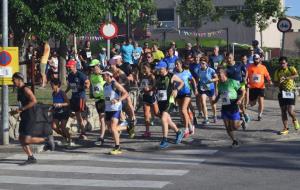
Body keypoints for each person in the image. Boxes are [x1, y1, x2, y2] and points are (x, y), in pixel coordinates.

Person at [10, 72, 55, 165]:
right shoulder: (19, 90)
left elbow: (34, 101)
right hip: (24, 115)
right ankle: (31, 157)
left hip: (30, 116)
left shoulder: (26, 89)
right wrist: (16, 111)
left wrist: (22, 109)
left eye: (13, 80)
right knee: (21, 138)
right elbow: (22, 104)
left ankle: (46, 140)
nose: (12, 81)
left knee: (26, 139)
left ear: (19, 80)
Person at [212, 67, 245, 148]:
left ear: (224, 74)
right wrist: (215, 101)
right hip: (225, 106)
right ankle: (234, 141)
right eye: (217, 73)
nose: (218, 75)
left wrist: (240, 99)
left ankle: (242, 122)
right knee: (227, 127)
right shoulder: (219, 84)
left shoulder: (232, 82)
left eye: (220, 73)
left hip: (233, 104)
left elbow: (243, 91)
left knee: (234, 127)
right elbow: (219, 94)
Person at [155, 60, 185, 149]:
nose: (159, 70)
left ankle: (164, 140)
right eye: (158, 69)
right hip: (161, 101)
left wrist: (176, 90)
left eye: (160, 69)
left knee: (164, 119)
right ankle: (179, 132)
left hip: (170, 100)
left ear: (165, 68)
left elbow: (182, 82)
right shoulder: (158, 77)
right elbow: (155, 86)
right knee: (168, 120)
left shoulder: (171, 76)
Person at [102, 69, 129, 155]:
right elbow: (107, 98)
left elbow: (126, 93)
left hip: (116, 108)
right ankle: (127, 127)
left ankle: (118, 147)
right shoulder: (105, 85)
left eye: (104, 75)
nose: (103, 76)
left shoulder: (115, 84)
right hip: (108, 109)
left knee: (113, 128)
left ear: (109, 76)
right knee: (110, 129)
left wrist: (118, 99)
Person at [273, 56, 300, 135]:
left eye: (283, 63)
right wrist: (279, 82)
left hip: (291, 91)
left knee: (290, 111)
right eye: (281, 63)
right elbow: (275, 83)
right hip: (282, 92)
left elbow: (296, 75)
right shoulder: (277, 71)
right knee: (283, 111)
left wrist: (287, 78)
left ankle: (295, 120)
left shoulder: (291, 68)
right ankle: (285, 128)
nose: (282, 65)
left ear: (286, 63)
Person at [65, 59, 90, 139]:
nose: (69, 68)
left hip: (81, 97)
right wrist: (65, 92)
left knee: (79, 115)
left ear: (74, 66)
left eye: (70, 67)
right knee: (77, 115)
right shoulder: (70, 75)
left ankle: (83, 132)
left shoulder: (80, 74)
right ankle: (83, 130)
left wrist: (86, 86)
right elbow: (70, 85)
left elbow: (87, 82)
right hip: (74, 97)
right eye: (68, 67)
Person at [225, 53, 250, 128]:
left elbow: (246, 71)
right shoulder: (226, 67)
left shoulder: (239, 64)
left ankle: (244, 114)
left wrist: (245, 79)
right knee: (232, 105)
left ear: (233, 57)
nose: (228, 60)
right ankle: (240, 118)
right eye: (227, 58)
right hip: (231, 88)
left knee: (241, 104)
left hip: (240, 85)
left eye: (230, 58)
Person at [174, 60, 197, 138]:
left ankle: (186, 129)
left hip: (187, 93)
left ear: (181, 64)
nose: (176, 65)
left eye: (177, 64)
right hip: (179, 94)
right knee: (183, 111)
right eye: (175, 64)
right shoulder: (174, 73)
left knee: (184, 110)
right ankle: (191, 126)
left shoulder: (186, 72)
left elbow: (193, 80)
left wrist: (195, 89)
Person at [247, 54, 272, 121]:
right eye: (254, 59)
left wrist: (269, 81)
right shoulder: (250, 67)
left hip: (261, 87)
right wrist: (247, 83)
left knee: (261, 101)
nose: (256, 60)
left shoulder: (263, 67)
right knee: (252, 103)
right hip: (253, 87)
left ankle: (259, 115)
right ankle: (248, 106)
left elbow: (267, 75)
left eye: (257, 59)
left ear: (259, 59)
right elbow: (247, 76)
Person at [195, 56, 218, 124]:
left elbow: (217, 78)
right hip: (203, 88)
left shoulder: (211, 70)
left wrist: (212, 80)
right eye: (201, 63)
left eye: (203, 63)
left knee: (212, 103)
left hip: (210, 88)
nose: (202, 64)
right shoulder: (198, 70)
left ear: (206, 63)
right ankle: (206, 118)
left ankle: (215, 115)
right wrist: (197, 85)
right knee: (203, 101)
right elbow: (198, 78)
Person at [49, 78, 72, 146]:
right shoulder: (53, 93)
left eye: (52, 85)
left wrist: (60, 104)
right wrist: (52, 108)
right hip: (56, 112)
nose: (51, 86)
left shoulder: (62, 93)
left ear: (57, 85)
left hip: (64, 112)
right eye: (51, 85)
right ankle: (65, 136)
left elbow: (68, 103)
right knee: (54, 127)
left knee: (63, 127)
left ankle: (69, 139)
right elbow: (54, 103)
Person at [89, 59, 106, 145]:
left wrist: (102, 73)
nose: (92, 68)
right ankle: (102, 136)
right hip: (97, 100)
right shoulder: (91, 75)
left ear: (98, 66)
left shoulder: (104, 75)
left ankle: (101, 137)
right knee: (101, 119)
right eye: (91, 67)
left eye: (93, 67)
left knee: (103, 119)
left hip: (104, 99)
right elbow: (92, 86)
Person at [140, 63, 159, 137]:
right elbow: (142, 86)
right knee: (146, 114)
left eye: (146, 68)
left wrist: (149, 89)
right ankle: (147, 131)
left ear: (149, 68)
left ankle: (167, 121)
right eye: (143, 68)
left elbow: (155, 86)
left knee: (157, 113)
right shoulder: (143, 76)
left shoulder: (152, 76)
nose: (144, 70)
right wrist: (142, 90)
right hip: (145, 97)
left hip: (151, 96)